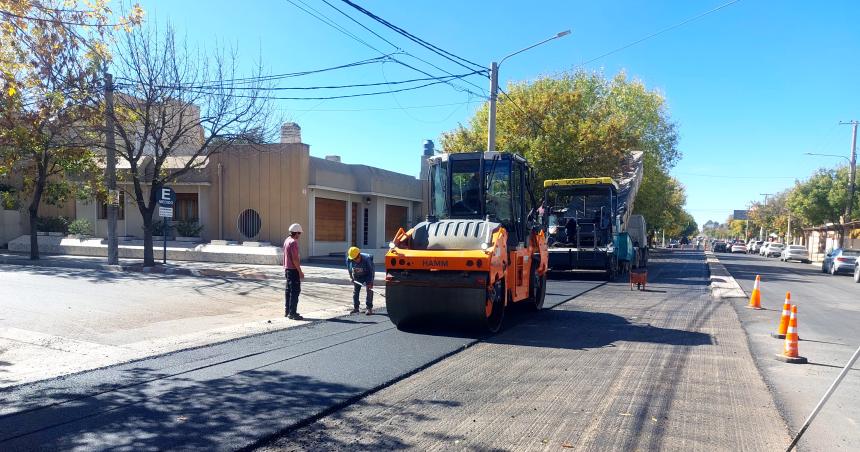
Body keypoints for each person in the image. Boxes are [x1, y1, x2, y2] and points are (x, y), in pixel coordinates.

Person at [283, 223, 305, 320]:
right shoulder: (293, 242)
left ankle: (287, 311)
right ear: (296, 233)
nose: (299, 235)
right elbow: (295, 259)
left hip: (287, 269)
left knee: (288, 291)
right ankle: (292, 313)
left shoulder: (287, 240)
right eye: (299, 233)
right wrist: (300, 271)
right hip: (293, 270)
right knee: (295, 291)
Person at [346, 246, 375, 315]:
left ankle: (369, 308)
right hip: (357, 276)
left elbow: (371, 272)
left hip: (368, 274)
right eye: (353, 259)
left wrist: (369, 282)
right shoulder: (349, 259)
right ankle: (356, 308)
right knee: (356, 291)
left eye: (356, 258)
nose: (355, 260)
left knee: (369, 290)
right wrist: (351, 277)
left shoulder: (367, 259)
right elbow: (349, 269)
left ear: (359, 255)